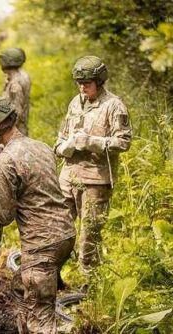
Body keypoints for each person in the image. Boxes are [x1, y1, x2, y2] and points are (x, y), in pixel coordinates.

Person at [0, 96, 75, 333]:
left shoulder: (5, 161)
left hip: (42, 245)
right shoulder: (41, 147)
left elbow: (1, 216)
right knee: (20, 288)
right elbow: (33, 185)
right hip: (65, 235)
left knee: (41, 315)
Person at [53, 56, 132, 278]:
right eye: (79, 83)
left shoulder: (113, 106)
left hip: (95, 180)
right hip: (68, 177)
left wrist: (91, 142)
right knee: (59, 229)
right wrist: (63, 147)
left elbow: (123, 142)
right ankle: (52, 278)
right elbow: (60, 137)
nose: (82, 87)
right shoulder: (74, 103)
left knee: (89, 237)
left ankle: (89, 290)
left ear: (99, 81)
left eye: (87, 83)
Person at [0, 47, 31, 135]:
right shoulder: (21, 75)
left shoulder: (15, 83)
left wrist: (5, 132)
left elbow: (17, 111)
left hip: (15, 132)